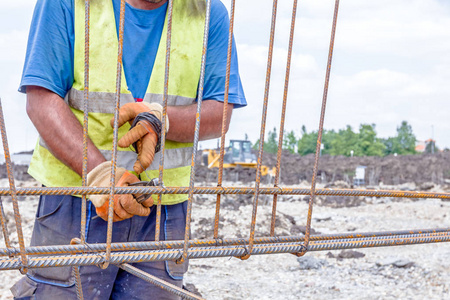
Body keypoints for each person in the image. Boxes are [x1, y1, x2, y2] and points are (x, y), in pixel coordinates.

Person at [11, 0, 246, 298]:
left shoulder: (208, 11)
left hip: (163, 209)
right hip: (74, 203)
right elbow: (42, 99)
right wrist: (99, 174)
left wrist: (162, 120)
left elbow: (220, 111)